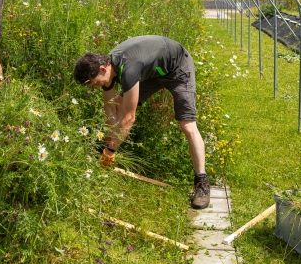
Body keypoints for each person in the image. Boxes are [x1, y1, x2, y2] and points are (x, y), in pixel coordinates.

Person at [74, 35, 210, 209]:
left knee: (187, 126)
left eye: (95, 83)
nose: (96, 87)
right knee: (117, 103)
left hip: (177, 68)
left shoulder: (128, 69)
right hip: (153, 72)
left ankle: (202, 182)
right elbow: (109, 109)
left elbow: (130, 118)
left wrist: (111, 151)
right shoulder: (110, 68)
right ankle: (104, 149)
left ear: (102, 68)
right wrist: (106, 144)